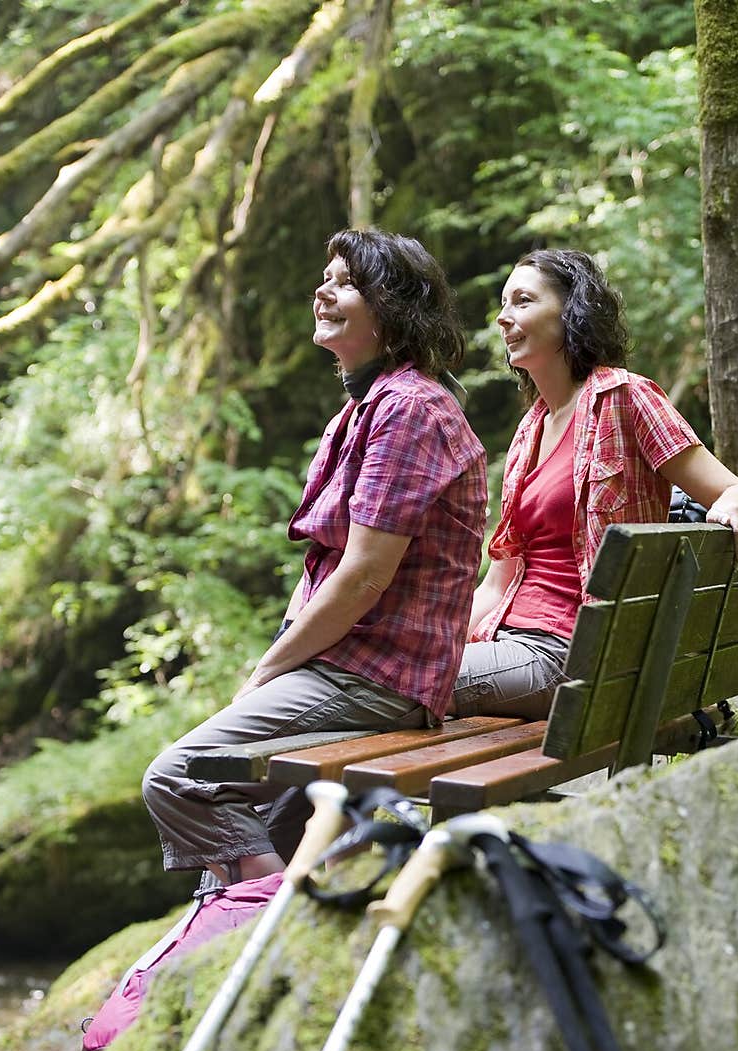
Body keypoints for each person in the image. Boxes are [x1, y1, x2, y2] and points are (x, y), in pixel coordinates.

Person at [142, 227, 487, 883]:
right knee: (231, 846)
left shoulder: (410, 408)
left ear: (391, 307)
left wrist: (265, 673)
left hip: (375, 677)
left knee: (179, 779)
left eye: (345, 282)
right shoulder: (364, 409)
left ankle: (280, 929)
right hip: (347, 670)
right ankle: (258, 937)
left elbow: (362, 577)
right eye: (324, 280)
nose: (322, 292)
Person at [451, 248, 738, 721]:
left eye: (522, 301)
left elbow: (735, 490)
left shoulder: (625, 396)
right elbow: (497, 585)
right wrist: (428, 640)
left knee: (406, 683)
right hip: (507, 643)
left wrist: (737, 506)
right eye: (503, 303)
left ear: (571, 310)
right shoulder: (528, 431)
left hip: (575, 652)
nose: (503, 316)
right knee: (396, 673)